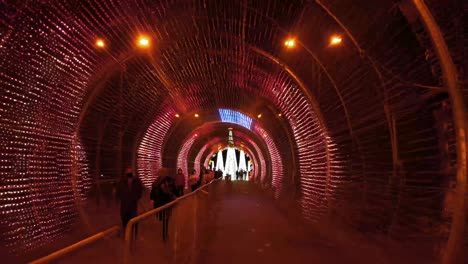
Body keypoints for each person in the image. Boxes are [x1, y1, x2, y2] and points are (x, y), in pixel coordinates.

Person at [150, 168, 176, 242]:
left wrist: (152, 199)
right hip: (164, 203)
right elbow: (169, 191)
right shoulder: (161, 182)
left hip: (162, 203)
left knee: (164, 219)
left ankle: (164, 234)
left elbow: (153, 193)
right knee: (164, 219)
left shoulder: (158, 182)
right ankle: (164, 234)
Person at [117, 168, 143, 239]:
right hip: (124, 206)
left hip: (132, 206)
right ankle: (126, 236)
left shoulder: (137, 181)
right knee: (124, 221)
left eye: (130, 173)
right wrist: (123, 198)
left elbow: (140, 192)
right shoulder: (122, 182)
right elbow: (118, 192)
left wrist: (134, 198)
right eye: (128, 173)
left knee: (132, 222)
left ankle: (131, 237)